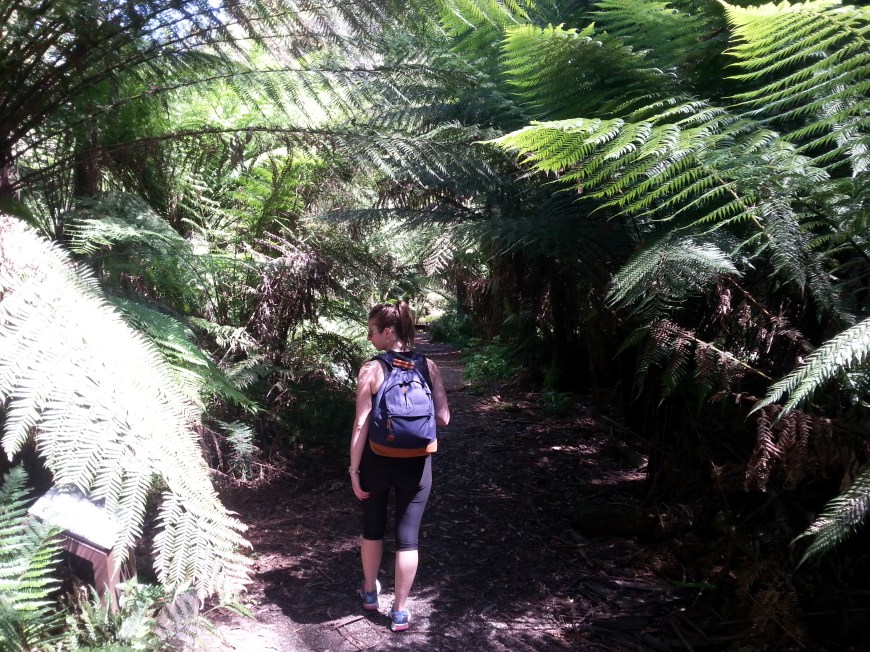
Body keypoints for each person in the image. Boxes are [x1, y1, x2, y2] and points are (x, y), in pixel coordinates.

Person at [348, 300, 450, 632]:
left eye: (372, 332)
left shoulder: (371, 369)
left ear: (388, 332)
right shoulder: (428, 366)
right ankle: (401, 611)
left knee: (373, 528)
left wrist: (353, 470)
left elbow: (361, 425)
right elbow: (444, 418)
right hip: (417, 465)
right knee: (408, 538)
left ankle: (368, 592)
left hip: (376, 460)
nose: (369, 338)